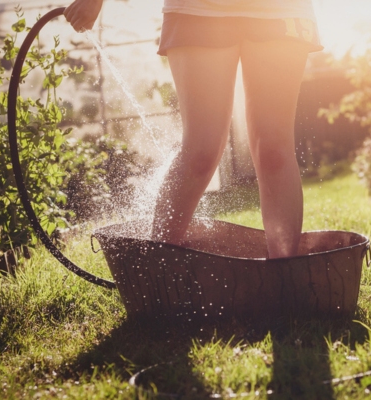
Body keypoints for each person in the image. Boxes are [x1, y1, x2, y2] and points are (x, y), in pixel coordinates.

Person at [64, 0, 322, 258]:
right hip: (198, 9)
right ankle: (159, 276)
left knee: (274, 153)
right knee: (201, 152)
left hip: (281, 10)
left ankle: (286, 279)